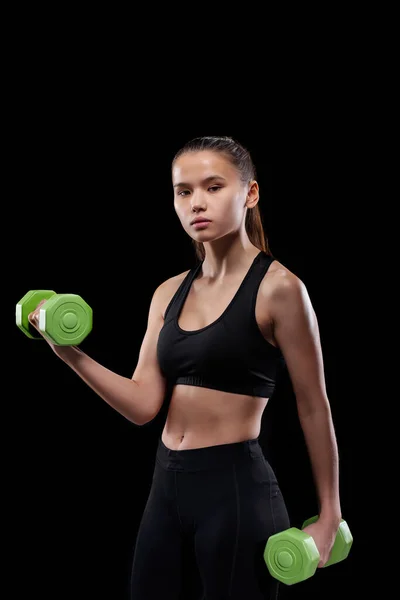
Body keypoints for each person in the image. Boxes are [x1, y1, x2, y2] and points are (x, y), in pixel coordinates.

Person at [28, 136, 343, 599]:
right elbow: (142, 403)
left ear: (250, 194)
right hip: (167, 483)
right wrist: (68, 353)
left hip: (234, 489)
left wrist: (329, 514)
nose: (197, 202)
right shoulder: (168, 292)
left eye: (214, 187)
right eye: (183, 190)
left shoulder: (280, 289)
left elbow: (314, 406)